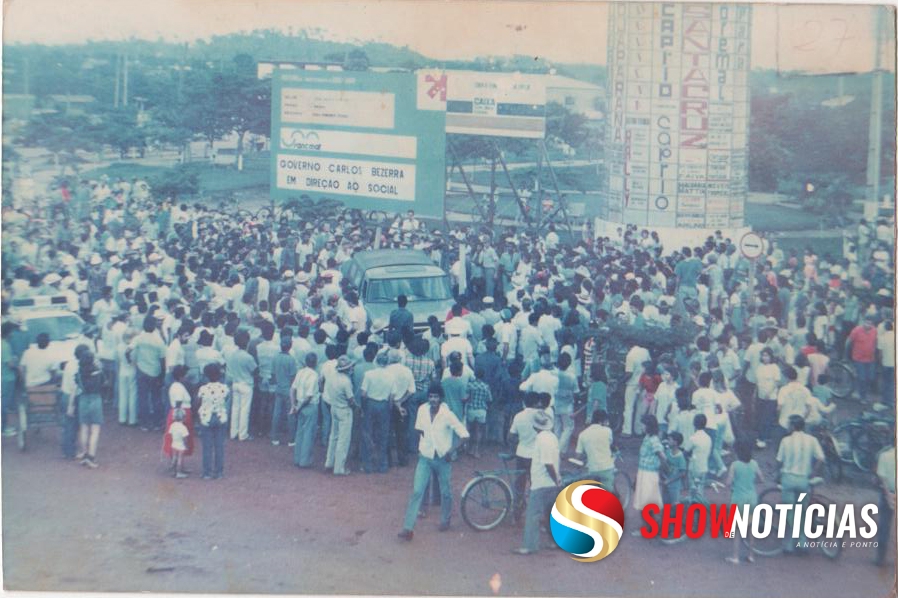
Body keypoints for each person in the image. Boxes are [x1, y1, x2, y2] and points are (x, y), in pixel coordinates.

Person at [398, 383, 469, 541]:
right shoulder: (422, 409)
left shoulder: (447, 414)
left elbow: (464, 435)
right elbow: (419, 429)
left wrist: (451, 451)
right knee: (417, 491)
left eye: (436, 397)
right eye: (431, 396)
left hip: (443, 458)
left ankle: (445, 520)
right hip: (425, 456)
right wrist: (422, 446)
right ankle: (408, 528)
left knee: (445, 492)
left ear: (441, 398)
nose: (433, 400)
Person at [776, 415, 825, 553]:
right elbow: (821, 458)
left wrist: (777, 474)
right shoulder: (812, 440)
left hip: (788, 480)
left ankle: (790, 544)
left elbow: (779, 460)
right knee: (802, 511)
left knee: (790, 511)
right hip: (804, 481)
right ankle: (802, 542)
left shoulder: (785, 441)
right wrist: (813, 473)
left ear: (792, 426)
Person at [513, 410, 560, 555]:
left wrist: (555, 479)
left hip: (541, 482)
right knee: (550, 514)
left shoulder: (540, 439)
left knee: (533, 515)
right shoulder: (552, 437)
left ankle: (530, 545)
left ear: (534, 427)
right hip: (550, 483)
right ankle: (554, 542)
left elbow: (547, 463)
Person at [725, 440, 764, 564]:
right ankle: (751, 555)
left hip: (738, 498)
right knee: (751, 528)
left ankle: (735, 556)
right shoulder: (754, 464)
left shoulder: (735, 465)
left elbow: (728, 482)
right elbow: (761, 479)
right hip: (752, 497)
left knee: (737, 529)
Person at [631, 415, 665, 534]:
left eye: (643, 424)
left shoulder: (654, 440)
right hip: (643, 472)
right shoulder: (647, 438)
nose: (642, 427)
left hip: (649, 474)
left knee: (646, 501)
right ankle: (650, 526)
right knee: (645, 500)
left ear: (649, 426)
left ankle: (648, 527)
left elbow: (662, 456)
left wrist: (663, 468)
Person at [324, 356, 355, 475]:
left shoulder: (332, 376)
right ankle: (339, 468)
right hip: (344, 410)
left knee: (334, 436)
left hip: (334, 407)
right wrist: (356, 407)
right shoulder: (346, 381)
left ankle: (329, 462)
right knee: (343, 439)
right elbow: (351, 399)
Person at [72, 351, 104, 468]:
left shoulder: (79, 374)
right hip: (95, 400)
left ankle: (84, 454)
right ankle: (91, 456)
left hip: (83, 400)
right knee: (95, 430)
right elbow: (104, 383)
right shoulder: (98, 373)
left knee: (84, 428)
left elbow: (77, 384)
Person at [197, 363, 229, 480]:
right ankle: (219, 472)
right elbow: (226, 399)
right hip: (221, 417)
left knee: (207, 446)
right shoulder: (224, 388)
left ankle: (207, 472)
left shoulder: (203, 389)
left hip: (206, 417)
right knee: (219, 446)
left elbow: (199, 402)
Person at [227, 330, 257, 441]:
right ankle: (242, 434)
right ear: (247, 342)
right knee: (244, 410)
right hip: (246, 384)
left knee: (235, 409)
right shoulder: (248, 357)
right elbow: (255, 371)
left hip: (236, 383)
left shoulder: (232, 354)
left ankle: (233, 432)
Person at [292, 352, 320, 468]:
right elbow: (308, 397)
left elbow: (292, 389)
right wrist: (298, 407)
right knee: (308, 434)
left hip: (299, 404)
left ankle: (297, 458)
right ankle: (304, 461)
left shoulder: (300, 372)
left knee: (300, 432)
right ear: (315, 363)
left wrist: (294, 405)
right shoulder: (314, 375)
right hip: (309, 406)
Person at [574, 409, 615, 490]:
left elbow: (578, 455)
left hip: (592, 468)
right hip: (606, 467)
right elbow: (610, 444)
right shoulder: (607, 431)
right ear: (602, 421)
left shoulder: (583, 434)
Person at [270, 337, 299, 446]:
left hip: (278, 388)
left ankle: (275, 438)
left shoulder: (275, 357)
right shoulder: (291, 359)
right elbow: (293, 377)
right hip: (288, 389)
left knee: (276, 414)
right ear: (290, 346)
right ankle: (291, 439)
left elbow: (272, 375)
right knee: (291, 414)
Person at [845, 315, 877, 403]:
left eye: (870, 323)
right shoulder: (856, 330)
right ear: (863, 321)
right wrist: (846, 355)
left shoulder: (874, 331)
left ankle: (862, 392)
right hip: (858, 359)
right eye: (866, 322)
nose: (868, 325)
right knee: (862, 377)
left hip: (870, 359)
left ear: (872, 324)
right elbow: (848, 342)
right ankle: (863, 396)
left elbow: (875, 342)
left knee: (869, 378)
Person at [875, 440, 896, 566]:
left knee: (884, 525)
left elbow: (881, 477)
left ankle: (880, 557)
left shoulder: (885, 456)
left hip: (889, 492)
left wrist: (888, 494)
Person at [465, 367, 492, 458]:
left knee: (470, 429)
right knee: (479, 431)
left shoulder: (470, 385)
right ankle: (476, 450)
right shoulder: (486, 386)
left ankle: (469, 448)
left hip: (471, 409)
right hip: (481, 410)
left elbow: (466, 397)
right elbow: (489, 399)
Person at [661, 432, 687, 507]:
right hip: (665, 483)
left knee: (674, 505)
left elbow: (682, 473)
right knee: (665, 503)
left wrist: (669, 480)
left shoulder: (680, 456)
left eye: (669, 440)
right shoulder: (667, 452)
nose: (667, 441)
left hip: (674, 486)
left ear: (675, 442)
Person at [167, 408, 190, 479]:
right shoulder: (183, 428)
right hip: (181, 445)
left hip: (174, 443)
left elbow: (170, 434)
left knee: (174, 457)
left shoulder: (172, 425)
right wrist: (186, 445)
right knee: (180, 458)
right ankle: (179, 472)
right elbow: (185, 438)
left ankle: (173, 469)